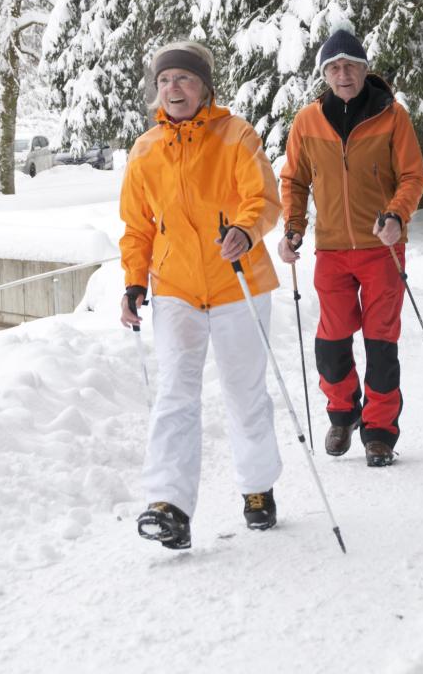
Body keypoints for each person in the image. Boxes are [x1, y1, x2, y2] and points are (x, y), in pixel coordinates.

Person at [119, 40, 283, 549]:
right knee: (175, 394)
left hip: (238, 283)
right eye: (165, 80)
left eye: (184, 80)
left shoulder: (236, 136)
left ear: (204, 87)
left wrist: (246, 229)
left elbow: (264, 199)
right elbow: (136, 226)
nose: (173, 88)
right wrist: (134, 282)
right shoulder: (145, 151)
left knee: (244, 392)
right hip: (177, 289)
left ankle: (257, 487)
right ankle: (169, 504)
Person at [278, 28, 423, 467]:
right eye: (334, 67)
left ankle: (379, 431)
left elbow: (413, 177)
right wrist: (293, 227)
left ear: (365, 69)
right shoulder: (308, 120)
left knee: (381, 342)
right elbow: (294, 179)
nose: (343, 74)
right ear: (326, 74)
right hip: (332, 250)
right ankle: (342, 415)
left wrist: (397, 216)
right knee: (332, 340)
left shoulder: (392, 115)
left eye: (350, 66)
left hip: (383, 249)